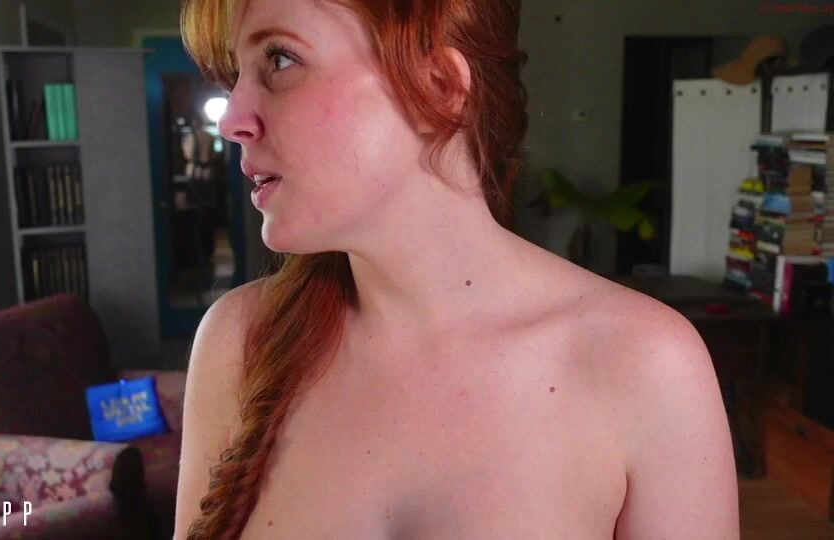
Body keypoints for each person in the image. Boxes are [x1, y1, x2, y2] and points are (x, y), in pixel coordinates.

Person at [174, 0, 739, 538]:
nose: (232, 120)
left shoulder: (645, 364)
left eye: (280, 59)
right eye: (235, 78)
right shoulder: (239, 341)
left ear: (439, 88)